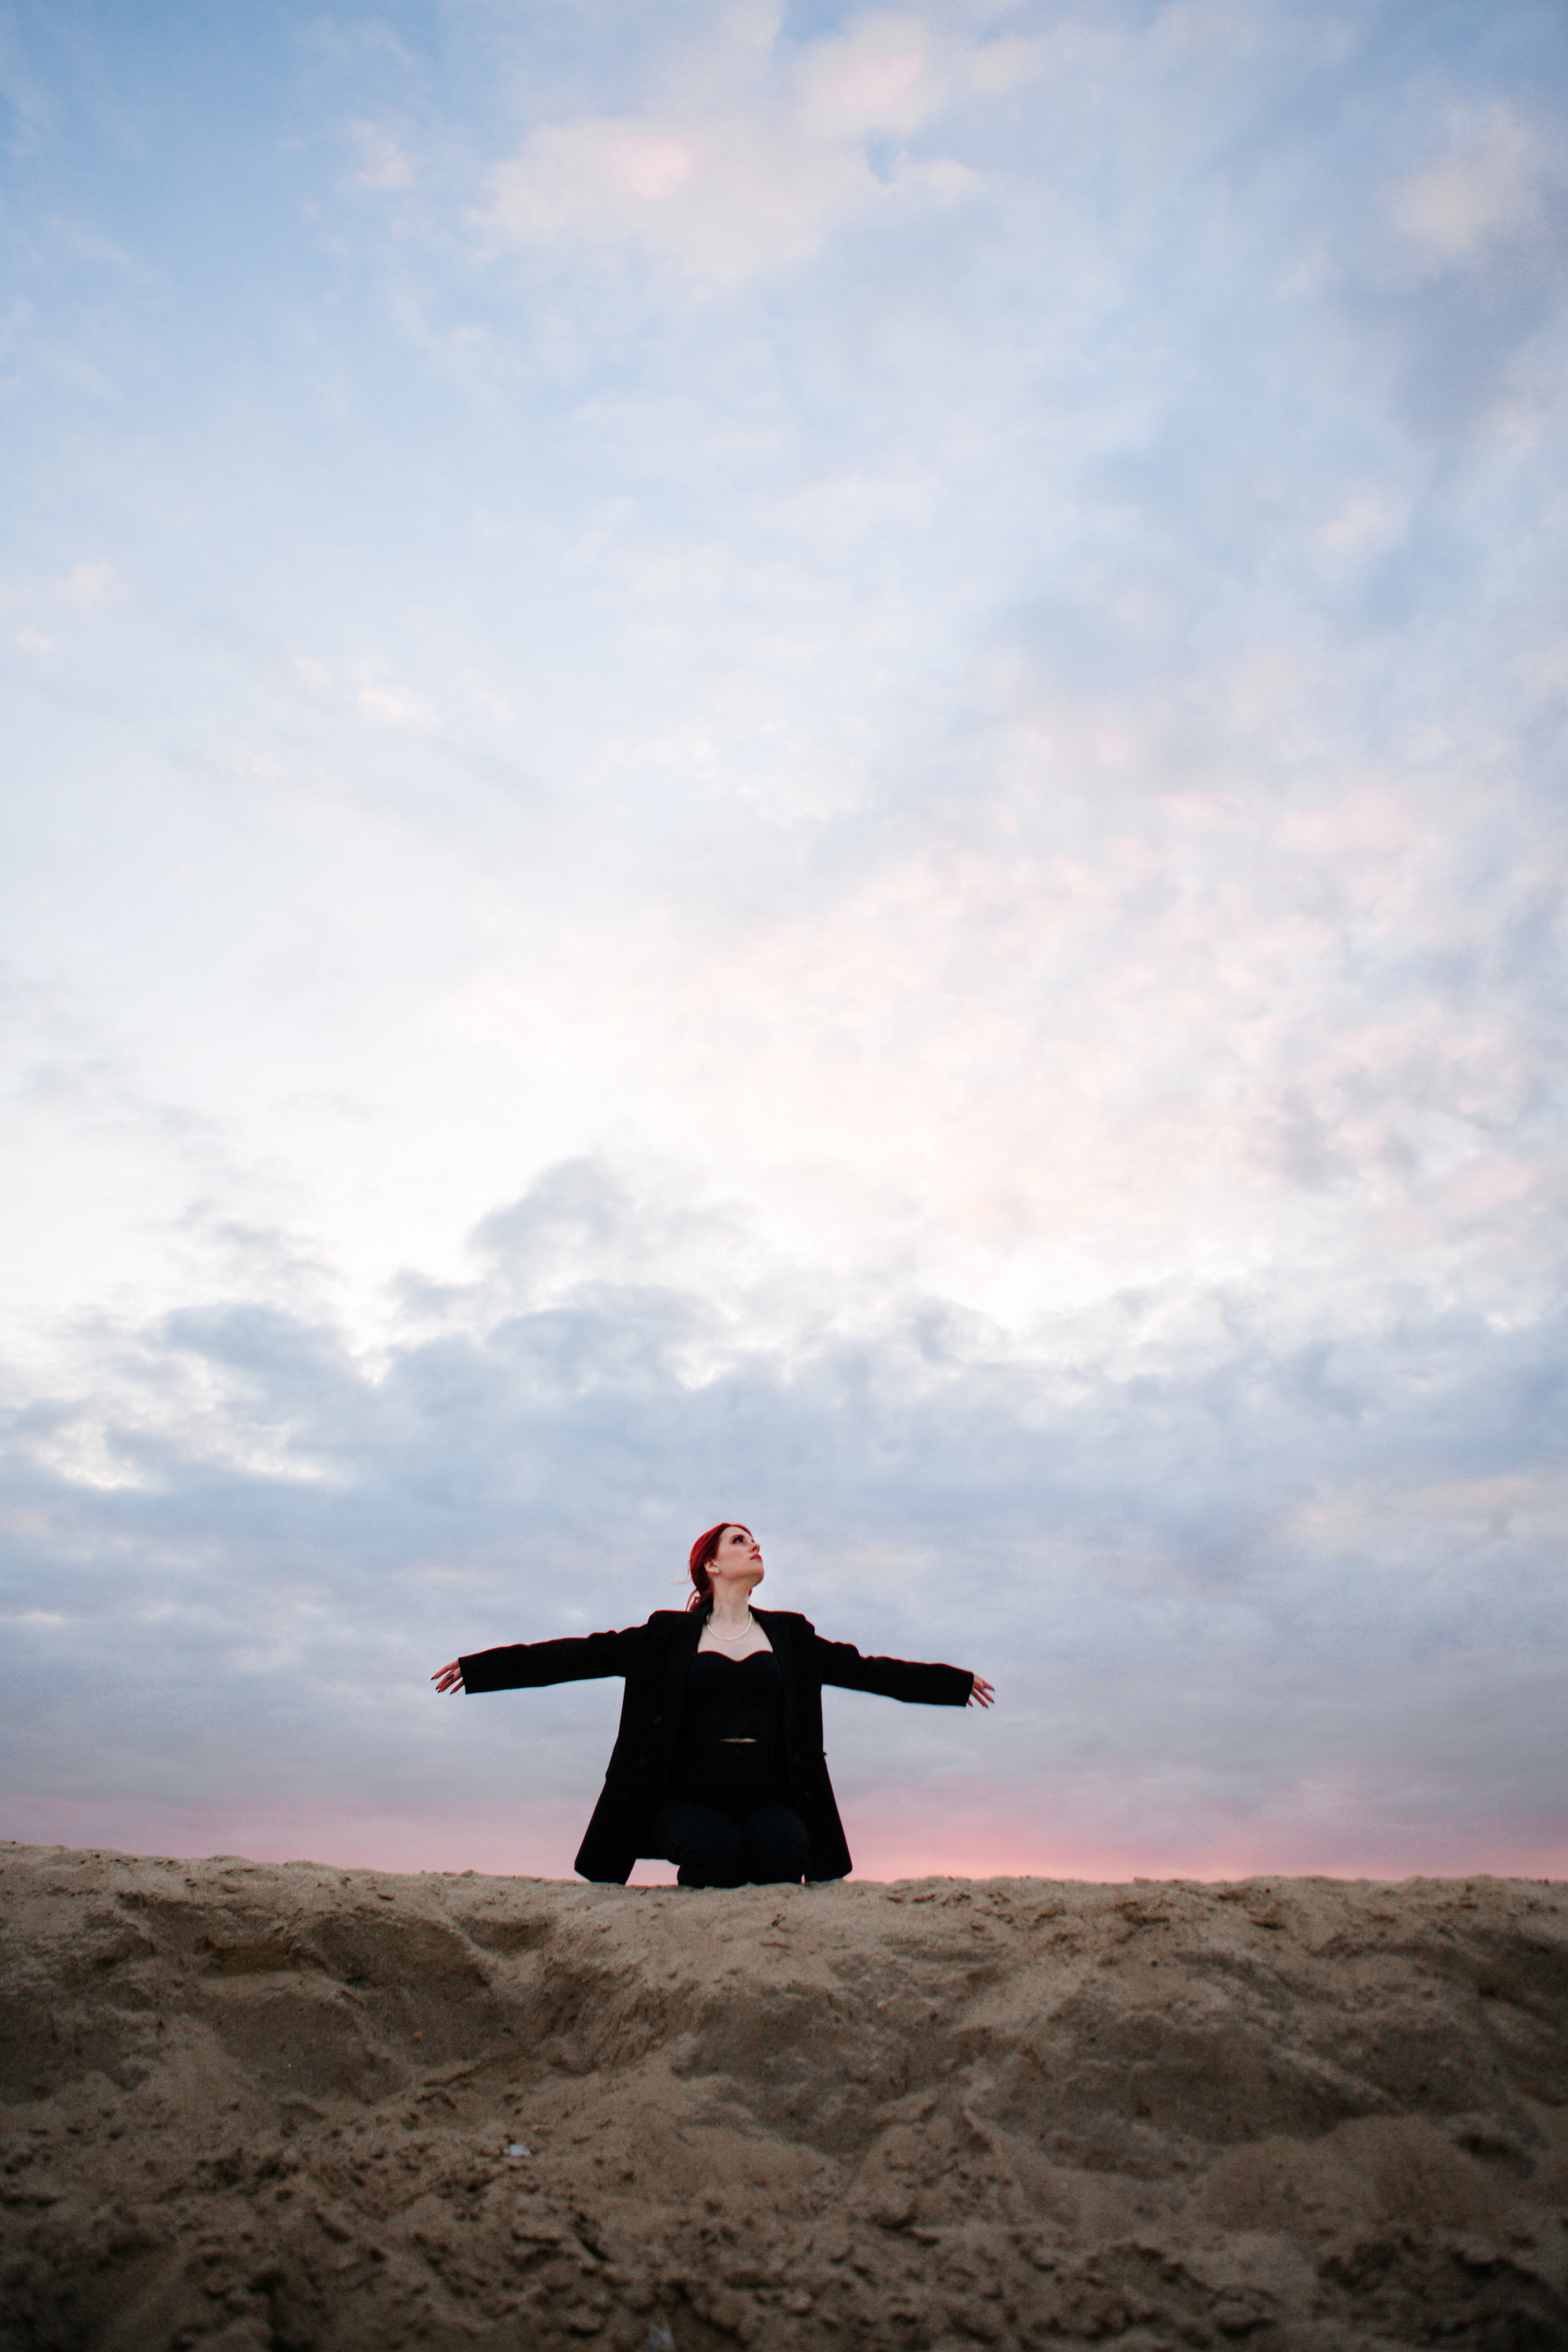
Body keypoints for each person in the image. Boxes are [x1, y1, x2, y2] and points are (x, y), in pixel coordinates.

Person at [432, 1522, 994, 1888]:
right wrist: (481, 1669)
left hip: (768, 1792)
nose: (755, 1546)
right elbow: (577, 1657)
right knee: (714, 1856)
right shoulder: (664, 1637)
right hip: (687, 1793)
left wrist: (952, 1684)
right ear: (713, 1567)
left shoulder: (790, 1636)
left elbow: (866, 1670)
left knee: (784, 1854)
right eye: (740, 1541)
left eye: (755, 1541)